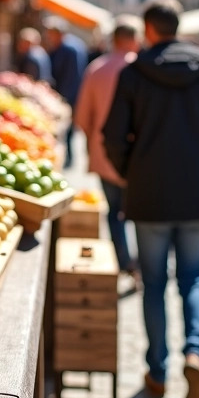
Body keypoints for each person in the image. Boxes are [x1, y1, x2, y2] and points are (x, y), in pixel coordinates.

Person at [103, 0, 199, 398]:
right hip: (198, 191)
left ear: (148, 30)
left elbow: (112, 136)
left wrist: (131, 170)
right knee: (194, 278)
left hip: (149, 192)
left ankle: (158, 370)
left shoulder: (134, 73)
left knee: (153, 282)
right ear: (178, 26)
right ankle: (195, 352)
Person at [73, 16, 142, 275]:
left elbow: (81, 117)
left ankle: (124, 261)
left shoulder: (97, 69)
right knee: (141, 212)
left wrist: (95, 139)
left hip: (104, 154)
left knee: (115, 212)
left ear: (114, 39)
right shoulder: (144, 69)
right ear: (136, 39)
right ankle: (145, 260)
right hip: (140, 156)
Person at [44, 19, 87, 169]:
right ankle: (68, 158)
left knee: (68, 129)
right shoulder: (66, 47)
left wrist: (64, 98)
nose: (49, 38)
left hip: (69, 95)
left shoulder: (70, 49)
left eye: (51, 34)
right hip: (66, 94)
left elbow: (72, 76)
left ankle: (69, 159)